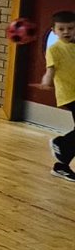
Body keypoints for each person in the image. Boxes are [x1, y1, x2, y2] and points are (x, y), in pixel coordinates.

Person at [40, 10, 75, 181]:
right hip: (70, 93)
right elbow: (50, 69)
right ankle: (60, 143)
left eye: (70, 28)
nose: (66, 32)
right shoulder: (54, 49)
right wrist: (47, 81)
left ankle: (61, 166)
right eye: (61, 29)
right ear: (54, 31)